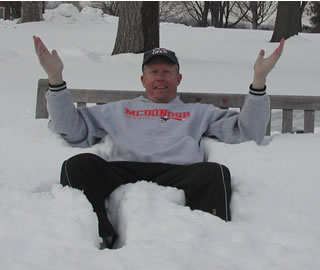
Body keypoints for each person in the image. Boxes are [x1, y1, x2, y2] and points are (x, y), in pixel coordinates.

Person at [33, 36, 285, 249]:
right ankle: (100, 233)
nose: (160, 77)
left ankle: (210, 244)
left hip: (179, 171)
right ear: (143, 80)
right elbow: (72, 128)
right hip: (124, 167)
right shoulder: (118, 110)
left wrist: (259, 80)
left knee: (215, 173)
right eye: (153, 72)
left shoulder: (199, 112)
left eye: (167, 72)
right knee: (77, 166)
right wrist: (55, 78)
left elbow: (248, 132)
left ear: (178, 79)